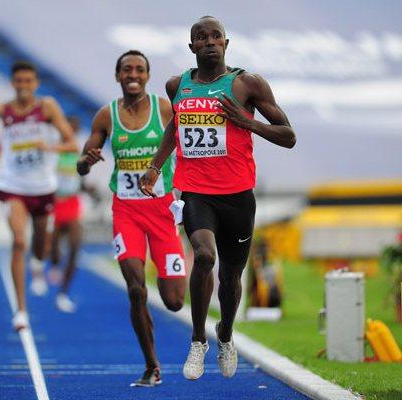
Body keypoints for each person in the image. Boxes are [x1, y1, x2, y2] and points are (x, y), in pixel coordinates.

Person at [139, 16, 296, 380]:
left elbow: (288, 136)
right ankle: (198, 341)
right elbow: (174, 128)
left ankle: (225, 333)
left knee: (231, 277)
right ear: (191, 46)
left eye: (215, 37)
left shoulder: (247, 84)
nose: (209, 42)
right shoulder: (177, 85)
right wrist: (155, 166)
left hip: (238, 195)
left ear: (226, 43)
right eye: (201, 37)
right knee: (205, 256)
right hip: (195, 192)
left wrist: (247, 122)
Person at [77, 50, 186, 387]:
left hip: (162, 212)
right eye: (127, 69)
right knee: (136, 290)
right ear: (118, 76)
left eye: (139, 69)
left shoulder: (164, 109)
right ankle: (152, 365)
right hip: (126, 211)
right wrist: (88, 160)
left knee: (173, 301)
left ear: (148, 76)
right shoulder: (106, 116)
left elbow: (188, 144)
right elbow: (81, 165)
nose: (133, 74)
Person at [0, 60, 76, 330]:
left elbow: (71, 143)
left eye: (28, 81)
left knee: (40, 245)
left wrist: (48, 146)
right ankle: (21, 311)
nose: (23, 86)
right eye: (18, 81)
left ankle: (37, 264)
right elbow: (7, 140)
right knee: (19, 241)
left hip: (43, 187)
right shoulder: (3, 110)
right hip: (14, 186)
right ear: (12, 83)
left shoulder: (47, 107)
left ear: (35, 84)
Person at [48, 116, 100, 313]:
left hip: (72, 204)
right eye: (68, 129)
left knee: (75, 248)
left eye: (75, 129)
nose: (72, 133)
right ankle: (53, 263)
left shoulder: (80, 152)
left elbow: (80, 181)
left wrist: (90, 190)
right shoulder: (53, 152)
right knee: (53, 250)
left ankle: (63, 293)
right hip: (54, 204)